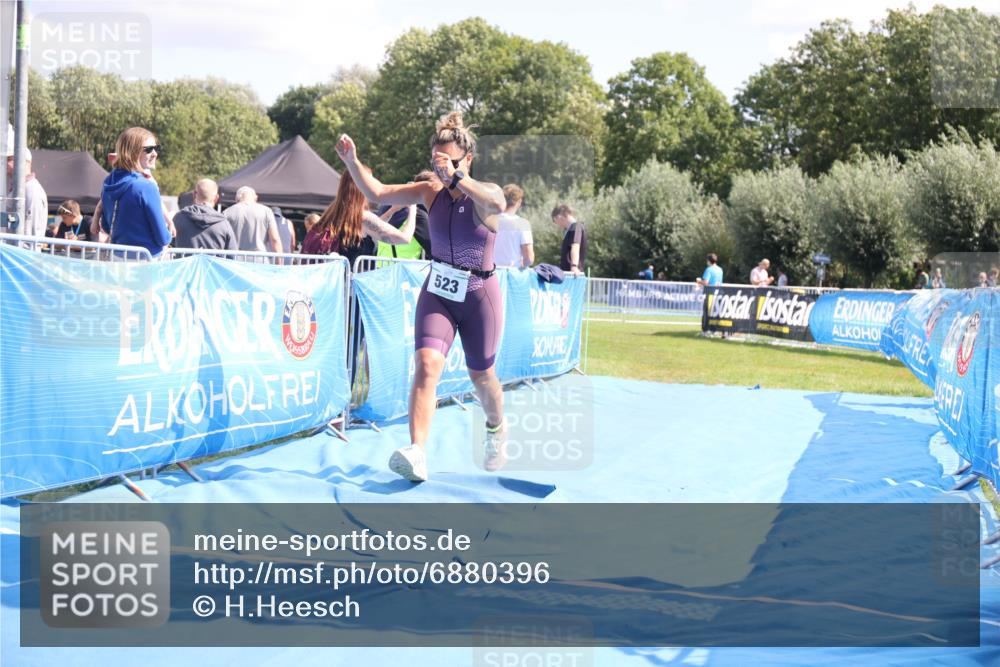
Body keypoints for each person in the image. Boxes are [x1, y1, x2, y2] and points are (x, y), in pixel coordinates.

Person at [335, 111, 508, 482]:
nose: (441, 169)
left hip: (480, 294)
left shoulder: (485, 193)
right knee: (428, 365)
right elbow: (376, 193)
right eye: (436, 161)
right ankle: (417, 452)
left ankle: (496, 427)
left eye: (448, 161)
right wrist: (352, 161)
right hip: (440, 290)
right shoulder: (430, 192)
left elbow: (497, 206)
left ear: (467, 160)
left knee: (482, 376)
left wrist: (458, 177)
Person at [302, 168, 417, 267]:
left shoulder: (333, 212)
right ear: (361, 186)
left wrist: (393, 210)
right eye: (370, 182)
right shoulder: (362, 217)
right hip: (352, 288)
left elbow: (372, 227)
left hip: (334, 287)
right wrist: (413, 207)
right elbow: (404, 238)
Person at [98, 127, 171, 257]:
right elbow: (163, 238)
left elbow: (107, 226)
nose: (155, 153)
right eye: (148, 150)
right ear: (132, 152)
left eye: (156, 148)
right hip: (145, 264)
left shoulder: (109, 182)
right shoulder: (146, 187)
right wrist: (169, 233)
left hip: (117, 260)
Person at [375, 170, 435, 260]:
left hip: (382, 267)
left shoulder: (388, 205)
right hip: (405, 269)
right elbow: (433, 249)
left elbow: (372, 232)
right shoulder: (418, 214)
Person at [172, 179, 238, 251]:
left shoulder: (178, 218)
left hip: (184, 262)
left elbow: (168, 244)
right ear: (216, 198)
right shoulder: (224, 224)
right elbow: (232, 255)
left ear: (194, 194)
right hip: (213, 262)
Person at [224, 186, 282, 257]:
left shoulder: (227, 212)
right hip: (259, 260)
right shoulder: (266, 211)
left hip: (234, 260)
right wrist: (280, 263)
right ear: (256, 197)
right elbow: (275, 239)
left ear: (236, 198)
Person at [5, 147, 48, 239]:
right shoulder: (19, 190)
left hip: (22, 252)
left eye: (9, 159)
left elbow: (30, 233)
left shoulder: (32, 190)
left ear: (24, 161)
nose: (5, 163)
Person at [493, 183, 534, 270]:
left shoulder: (490, 221)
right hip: (512, 274)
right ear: (519, 202)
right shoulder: (523, 224)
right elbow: (529, 258)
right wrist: (523, 266)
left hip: (491, 274)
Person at [552, 203, 586, 276]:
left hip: (572, 274)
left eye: (555, 221)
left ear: (559, 217)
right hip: (568, 273)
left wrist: (574, 266)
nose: (557, 225)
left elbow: (575, 246)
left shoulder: (576, 227)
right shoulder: (569, 229)